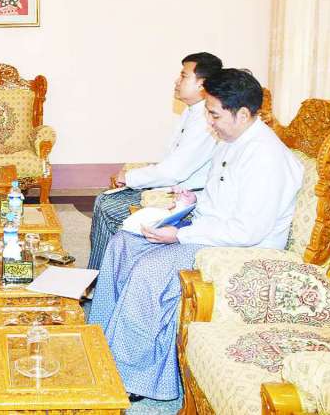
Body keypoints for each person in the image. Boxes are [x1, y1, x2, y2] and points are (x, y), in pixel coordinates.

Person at [88, 68, 304, 402]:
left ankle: (132, 376)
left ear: (242, 114)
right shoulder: (233, 140)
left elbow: (247, 231)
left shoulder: (265, 156)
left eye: (214, 114)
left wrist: (180, 235)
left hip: (238, 250)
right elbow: (223, 199)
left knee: (150, 271)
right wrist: (192, 201)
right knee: (123, 243)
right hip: (210, 231)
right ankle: (102, 339)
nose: (209, 122)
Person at [87, 52, 223, 270]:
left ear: (202, 84)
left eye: (183, 76)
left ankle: (99, 276)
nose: (176, 81)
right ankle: (104, 272)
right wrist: (131, 178)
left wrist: (129, 178)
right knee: (105, 200)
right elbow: (171, 163)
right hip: (176, 187)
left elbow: (173, 172)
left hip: (189, 198)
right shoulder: (193, 112)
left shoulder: (205, 120)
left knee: (108, 206)